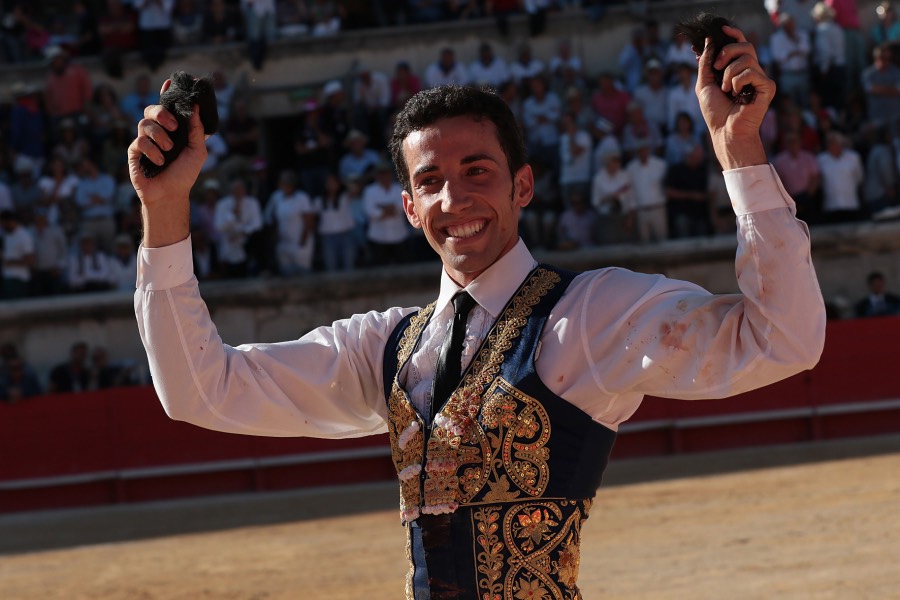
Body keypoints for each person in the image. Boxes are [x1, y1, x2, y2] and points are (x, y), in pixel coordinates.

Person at [129, 27, 826, 598]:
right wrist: (165, 211)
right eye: (428, 182)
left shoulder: (589, 316)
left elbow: (782, 339)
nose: (452, 200)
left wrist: (739, 155)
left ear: (523, 184)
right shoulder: (384, 348)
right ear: (407, 209)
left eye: (478, 172)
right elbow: (200, 390)